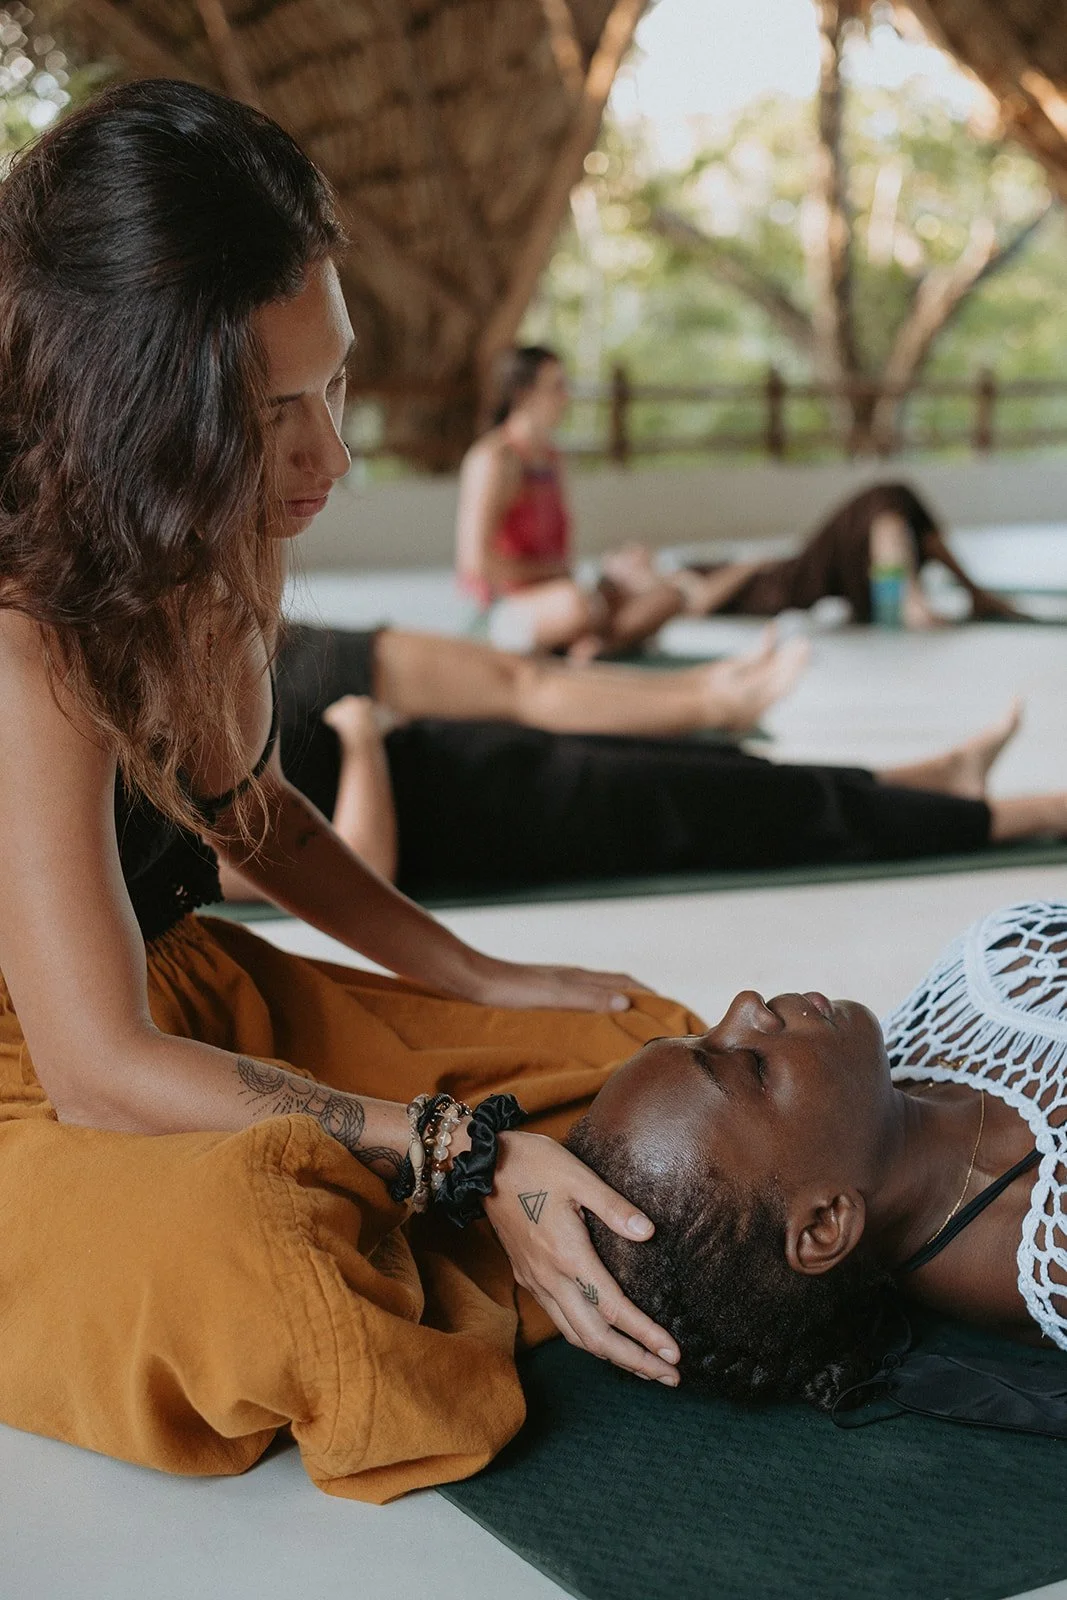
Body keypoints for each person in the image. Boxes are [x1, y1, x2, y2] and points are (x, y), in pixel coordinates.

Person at [0, 73, 688, 1424]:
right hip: (61, 1069)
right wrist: (458, 1152)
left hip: (168, 995)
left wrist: (479, 973)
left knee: (626, 1045)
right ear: (141, 418)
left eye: (335, 383)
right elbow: (97, 1070)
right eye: (270, 416)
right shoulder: (24, 636)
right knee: (276, 1258)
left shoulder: (188, 537)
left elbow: (246, 812)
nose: (329, 455)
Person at [566, 898, 1067, 1414]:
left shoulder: (947, 1009)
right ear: (826, 1224)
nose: (745, 1005)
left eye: (698, 1034)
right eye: (752, 1067)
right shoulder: (1054, 1244)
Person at [218, 625, 1064, 901]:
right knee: (747, 815)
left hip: (490, 762)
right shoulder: (165, 813)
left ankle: (935, 779)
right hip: (519, 827)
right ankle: (1022, 815)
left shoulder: (249, 646)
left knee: (731, 776)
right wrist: (363, 741)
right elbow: (356, 873)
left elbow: (524, 684)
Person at [455, 345, 693, 658]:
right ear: (524, 393)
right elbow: (476, 564)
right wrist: (549, 574)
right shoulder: (495, 459)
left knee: (669, 595)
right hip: (507, 607)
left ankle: (593, 648)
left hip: (562, 592)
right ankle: (592, 644)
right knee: (577, 605)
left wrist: (613, 569)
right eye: (556, 387)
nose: (565, 397)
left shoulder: (553, 459)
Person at [653, 480, 1028, 628]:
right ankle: (917, 600)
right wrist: (746, 564)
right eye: (625, 558)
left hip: (795, 575)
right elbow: (699, 603)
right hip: (793, 582)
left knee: (897, 508)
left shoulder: (673, 574)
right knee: (886, 500)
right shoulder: (667, 584)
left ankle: (961, 594)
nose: (634, 552)